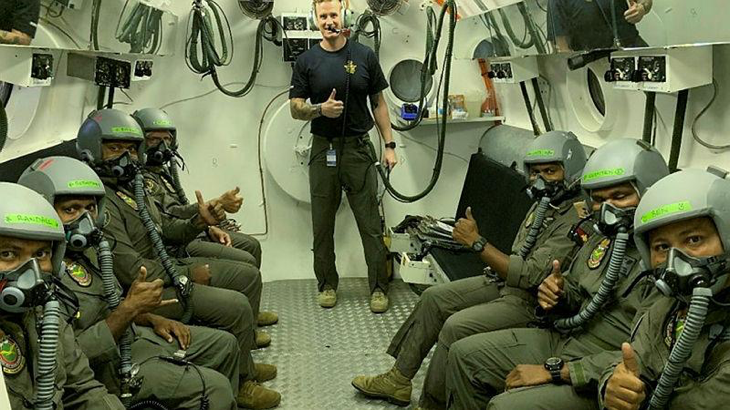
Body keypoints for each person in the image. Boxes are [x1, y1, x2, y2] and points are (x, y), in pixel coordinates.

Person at [18, 155, 281, 409]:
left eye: (89, 209)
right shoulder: (35, 280)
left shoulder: (88, 251)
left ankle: (240, 380)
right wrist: (130, 310)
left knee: (223, 345)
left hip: (130, 332)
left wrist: (152, 318)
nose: (85, 220)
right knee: (215, 388)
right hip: (104, 365)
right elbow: (66, 360)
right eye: (70, 210)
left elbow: (115, 295)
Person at [352, 131, 588, 407]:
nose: (541, 180)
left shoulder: (575, 219)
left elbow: (530, 275)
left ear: (570, 171)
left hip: (531, 302)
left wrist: (476, 243)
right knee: (434, 299)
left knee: (455, 327)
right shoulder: (543, 205)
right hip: (504, 283)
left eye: (551, 171)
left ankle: (432, 405)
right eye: (535, 172)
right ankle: (398, 380)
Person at [74, 109, 281, 406]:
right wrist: (183, 274)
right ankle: (241, 384)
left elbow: (165, 227)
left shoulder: (132, 188)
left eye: (131, 150)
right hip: (149, 285)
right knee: (235, 305)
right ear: (93, 149)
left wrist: (200, 221)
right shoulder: (97, 202)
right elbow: (133, 269)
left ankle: (241, 367)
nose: (125, 157)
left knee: (245, 274)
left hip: (163, 271)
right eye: (114, 148)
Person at [444, 138, 668, 410]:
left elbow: (649, 357)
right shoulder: (600, 238)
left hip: (603, 361)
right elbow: (575, 290)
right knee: (463, 355)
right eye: (598, 200)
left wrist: (558, 371)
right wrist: (558, 293)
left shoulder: (664, 260)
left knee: (504, 406)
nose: (607, 209)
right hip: (567, 335)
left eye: (620, 197)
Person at [289, 0, 398, 312]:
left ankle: (378, 289)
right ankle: (326, 285)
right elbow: (296, 108)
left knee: (370, 225)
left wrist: (389, 145)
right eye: (322, 16)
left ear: (343, 17)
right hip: (324, 149)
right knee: (322, 224)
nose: (328, 21)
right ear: (316, 20)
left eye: (333, 15)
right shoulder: (307, 60)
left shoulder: (364, 56)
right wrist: (320, 109)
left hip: (358, 150)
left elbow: (378, 103)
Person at [131, 107, 277, 327]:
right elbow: (168, 219)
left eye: (166, 139)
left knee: (251, 245)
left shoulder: (160, 171)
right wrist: (212, 208)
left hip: (188, 232)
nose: (162, 146)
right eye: (153, 140)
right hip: (174, 245)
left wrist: (208, 225)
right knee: (246, 262)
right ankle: (245, 325)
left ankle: (249, 317)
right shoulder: (140, 178)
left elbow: (175, 208)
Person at [601, 168, 730, 410]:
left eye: (693, 240)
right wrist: (614, 384)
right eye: (661, 246)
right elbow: (631, 362)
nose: (674, 262)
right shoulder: (665, 307)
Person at [0, 182, 124, 409]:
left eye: (41, 254)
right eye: (8, 254)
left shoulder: (46, 316)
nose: (32, 271)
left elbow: (83, 388)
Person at [547, 0, 652, 52]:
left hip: (632, 49)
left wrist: (642, 8)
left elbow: (646, 1)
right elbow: (560, 47)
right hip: (594, 64)